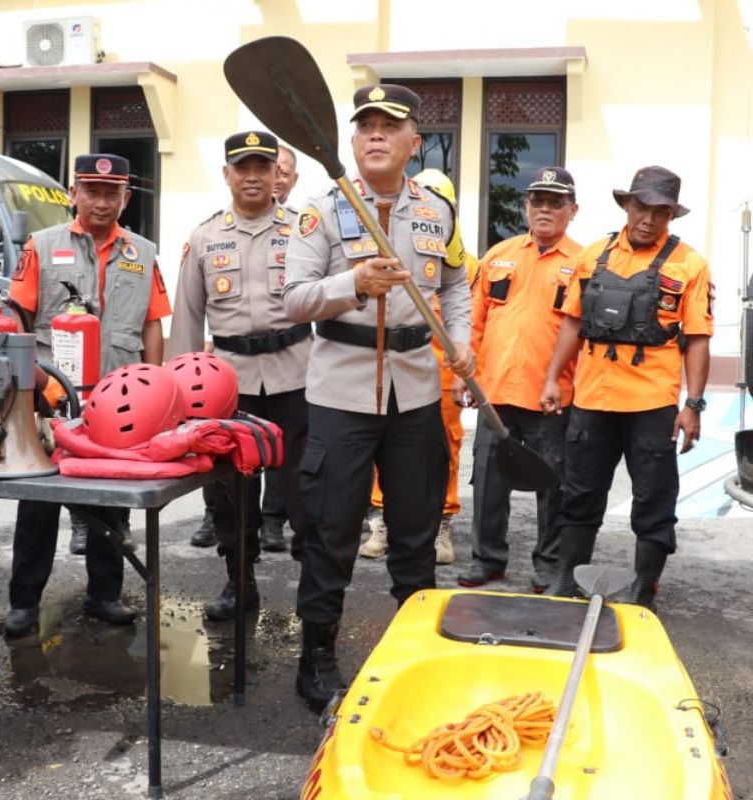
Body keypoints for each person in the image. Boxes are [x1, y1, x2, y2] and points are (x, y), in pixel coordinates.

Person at [283, 84, 475, 711]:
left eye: (389, 126)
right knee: (331, 530)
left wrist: (462, 341)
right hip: (340, 390)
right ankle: (316, 657)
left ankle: (413, 651)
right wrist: (353, 282)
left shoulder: (437, 211)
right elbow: (294, 299)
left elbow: (454, 286)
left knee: (416, 533)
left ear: (412, 143)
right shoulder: (319, 209)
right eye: (364, 123)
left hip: (416, 391)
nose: (374, 134)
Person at [3, 153, 172, 638]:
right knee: (38, 502)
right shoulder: (42, 244)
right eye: (91, 192)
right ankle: (23, 601)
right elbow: (18, 314)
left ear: (125, 198)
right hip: (52, 395)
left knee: (110, 501)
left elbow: (151, 324)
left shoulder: (143, 251)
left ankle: (105, 594)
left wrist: (153, 386)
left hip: (118, 398)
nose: (101, 202)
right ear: (73, 194)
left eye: (111, 193)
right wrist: (27, 383)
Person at [540, 166, 712, 609]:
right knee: (578, 494)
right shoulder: (593, 256)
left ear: (671, 215)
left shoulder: (689, 264)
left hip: (652, 405)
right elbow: (572, 322)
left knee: (654, 501)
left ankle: (642, 589)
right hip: (593, 399)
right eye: (641, 206)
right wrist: (553, 378)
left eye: (660, 211)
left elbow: (696, 339)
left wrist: (692, 404)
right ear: (626, 205)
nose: (648, 219)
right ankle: (565, 578)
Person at [166, 131, 310, 621]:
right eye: (242, 168)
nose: (252, 177)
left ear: (277, 175)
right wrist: (177, 397)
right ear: (227, 175)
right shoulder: (206, 236)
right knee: (231, 493)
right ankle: (238, 584)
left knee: (306, 489)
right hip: (229, 384)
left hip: (298, 374)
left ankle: (313, 595)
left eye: (262, 168)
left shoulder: (304, 230)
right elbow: (187, 317)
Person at [457, 166, 581, 592]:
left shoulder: (584, 264)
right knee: (489, 482)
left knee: (554, 488)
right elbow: (472, 322)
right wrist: (466, 376)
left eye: (556, 202)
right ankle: (487, 560)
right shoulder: (498, 256)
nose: (545, 209)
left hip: (553, 397)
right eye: (538, 201)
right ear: (526, 207)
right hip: (495, 393)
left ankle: (548, 565)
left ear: (572, 210)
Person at [357, 167, 478, 566]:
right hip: (393, 364)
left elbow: (473, 318)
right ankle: (383, 520)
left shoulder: (468, 267)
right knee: (382, 442)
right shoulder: (386, 257)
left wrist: (468, 373)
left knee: (445, 448)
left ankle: (442, 522)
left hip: (442, 373)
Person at [257, 142, 303, 554]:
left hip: (291, 361)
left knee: (286, 453)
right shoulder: (211, 232)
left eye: (282, 172)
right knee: (233, 451)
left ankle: (273, 520)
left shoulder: (303, 228)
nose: (276, 178)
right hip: (235, 364)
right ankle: (228, 528)